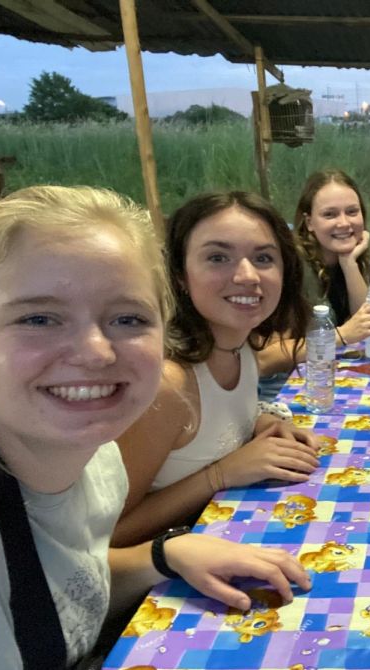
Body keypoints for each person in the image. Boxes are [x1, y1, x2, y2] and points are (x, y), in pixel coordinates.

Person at [0, 186, 313, 670]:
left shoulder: (98, 465)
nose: (96, 352)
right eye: (38, 318)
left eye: (128, 319)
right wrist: (217, 477)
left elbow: (74, 587)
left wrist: (160, 557)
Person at [112, 191, 320, 547]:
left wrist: (260, 422)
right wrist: (224, 473)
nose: (246, 275)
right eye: (218, 257)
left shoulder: (241, 348)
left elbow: (211, 426)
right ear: (179, 275)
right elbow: (108, 537)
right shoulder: (168, 385)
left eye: (264, 258)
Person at [258, 169, 370, 375]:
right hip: (278, 389)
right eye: (330, 214)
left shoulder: (344, 257)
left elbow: (366, 324)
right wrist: (341, 335)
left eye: (352, 212)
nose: (344, 223)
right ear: (309, 222)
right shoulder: (292, 267)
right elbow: (265, 359)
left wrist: (349, 264)